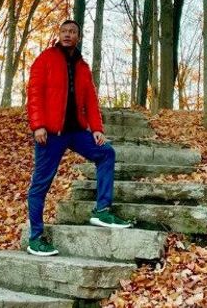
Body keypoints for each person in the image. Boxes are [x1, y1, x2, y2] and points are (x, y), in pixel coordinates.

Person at [25, 19, 132, 256]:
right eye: (64, 31)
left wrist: (97, 128)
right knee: (41, 184)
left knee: (106, 153)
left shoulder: (83, 67)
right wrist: (38, 125)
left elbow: (91, 101)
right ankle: (35, 238)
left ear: (78, 37)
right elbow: (34, 92)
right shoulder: (46, 59)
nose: (67, 35)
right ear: (59, 34)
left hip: (76, 132)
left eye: (72, 32)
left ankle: (102, 210)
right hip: (50, 133)